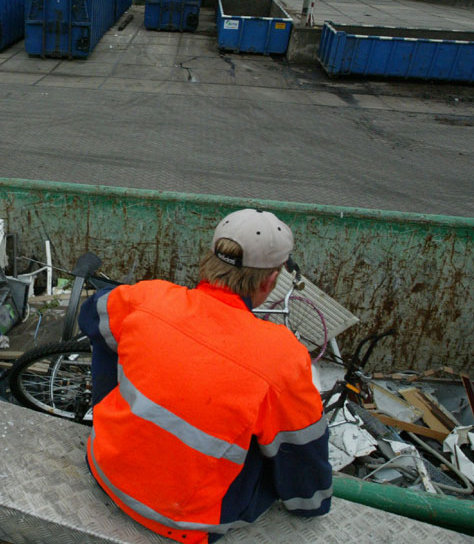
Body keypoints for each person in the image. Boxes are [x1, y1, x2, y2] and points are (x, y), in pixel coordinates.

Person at [79, 209, 332, 543]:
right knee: (270, 438)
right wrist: (313, 505)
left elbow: (90, 317)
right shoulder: (282, 357)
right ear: (270, 280)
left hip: (106, 470)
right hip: (186, 522)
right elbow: (301, 453)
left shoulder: (148, 298)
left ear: (210, 259)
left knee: (110, 338)